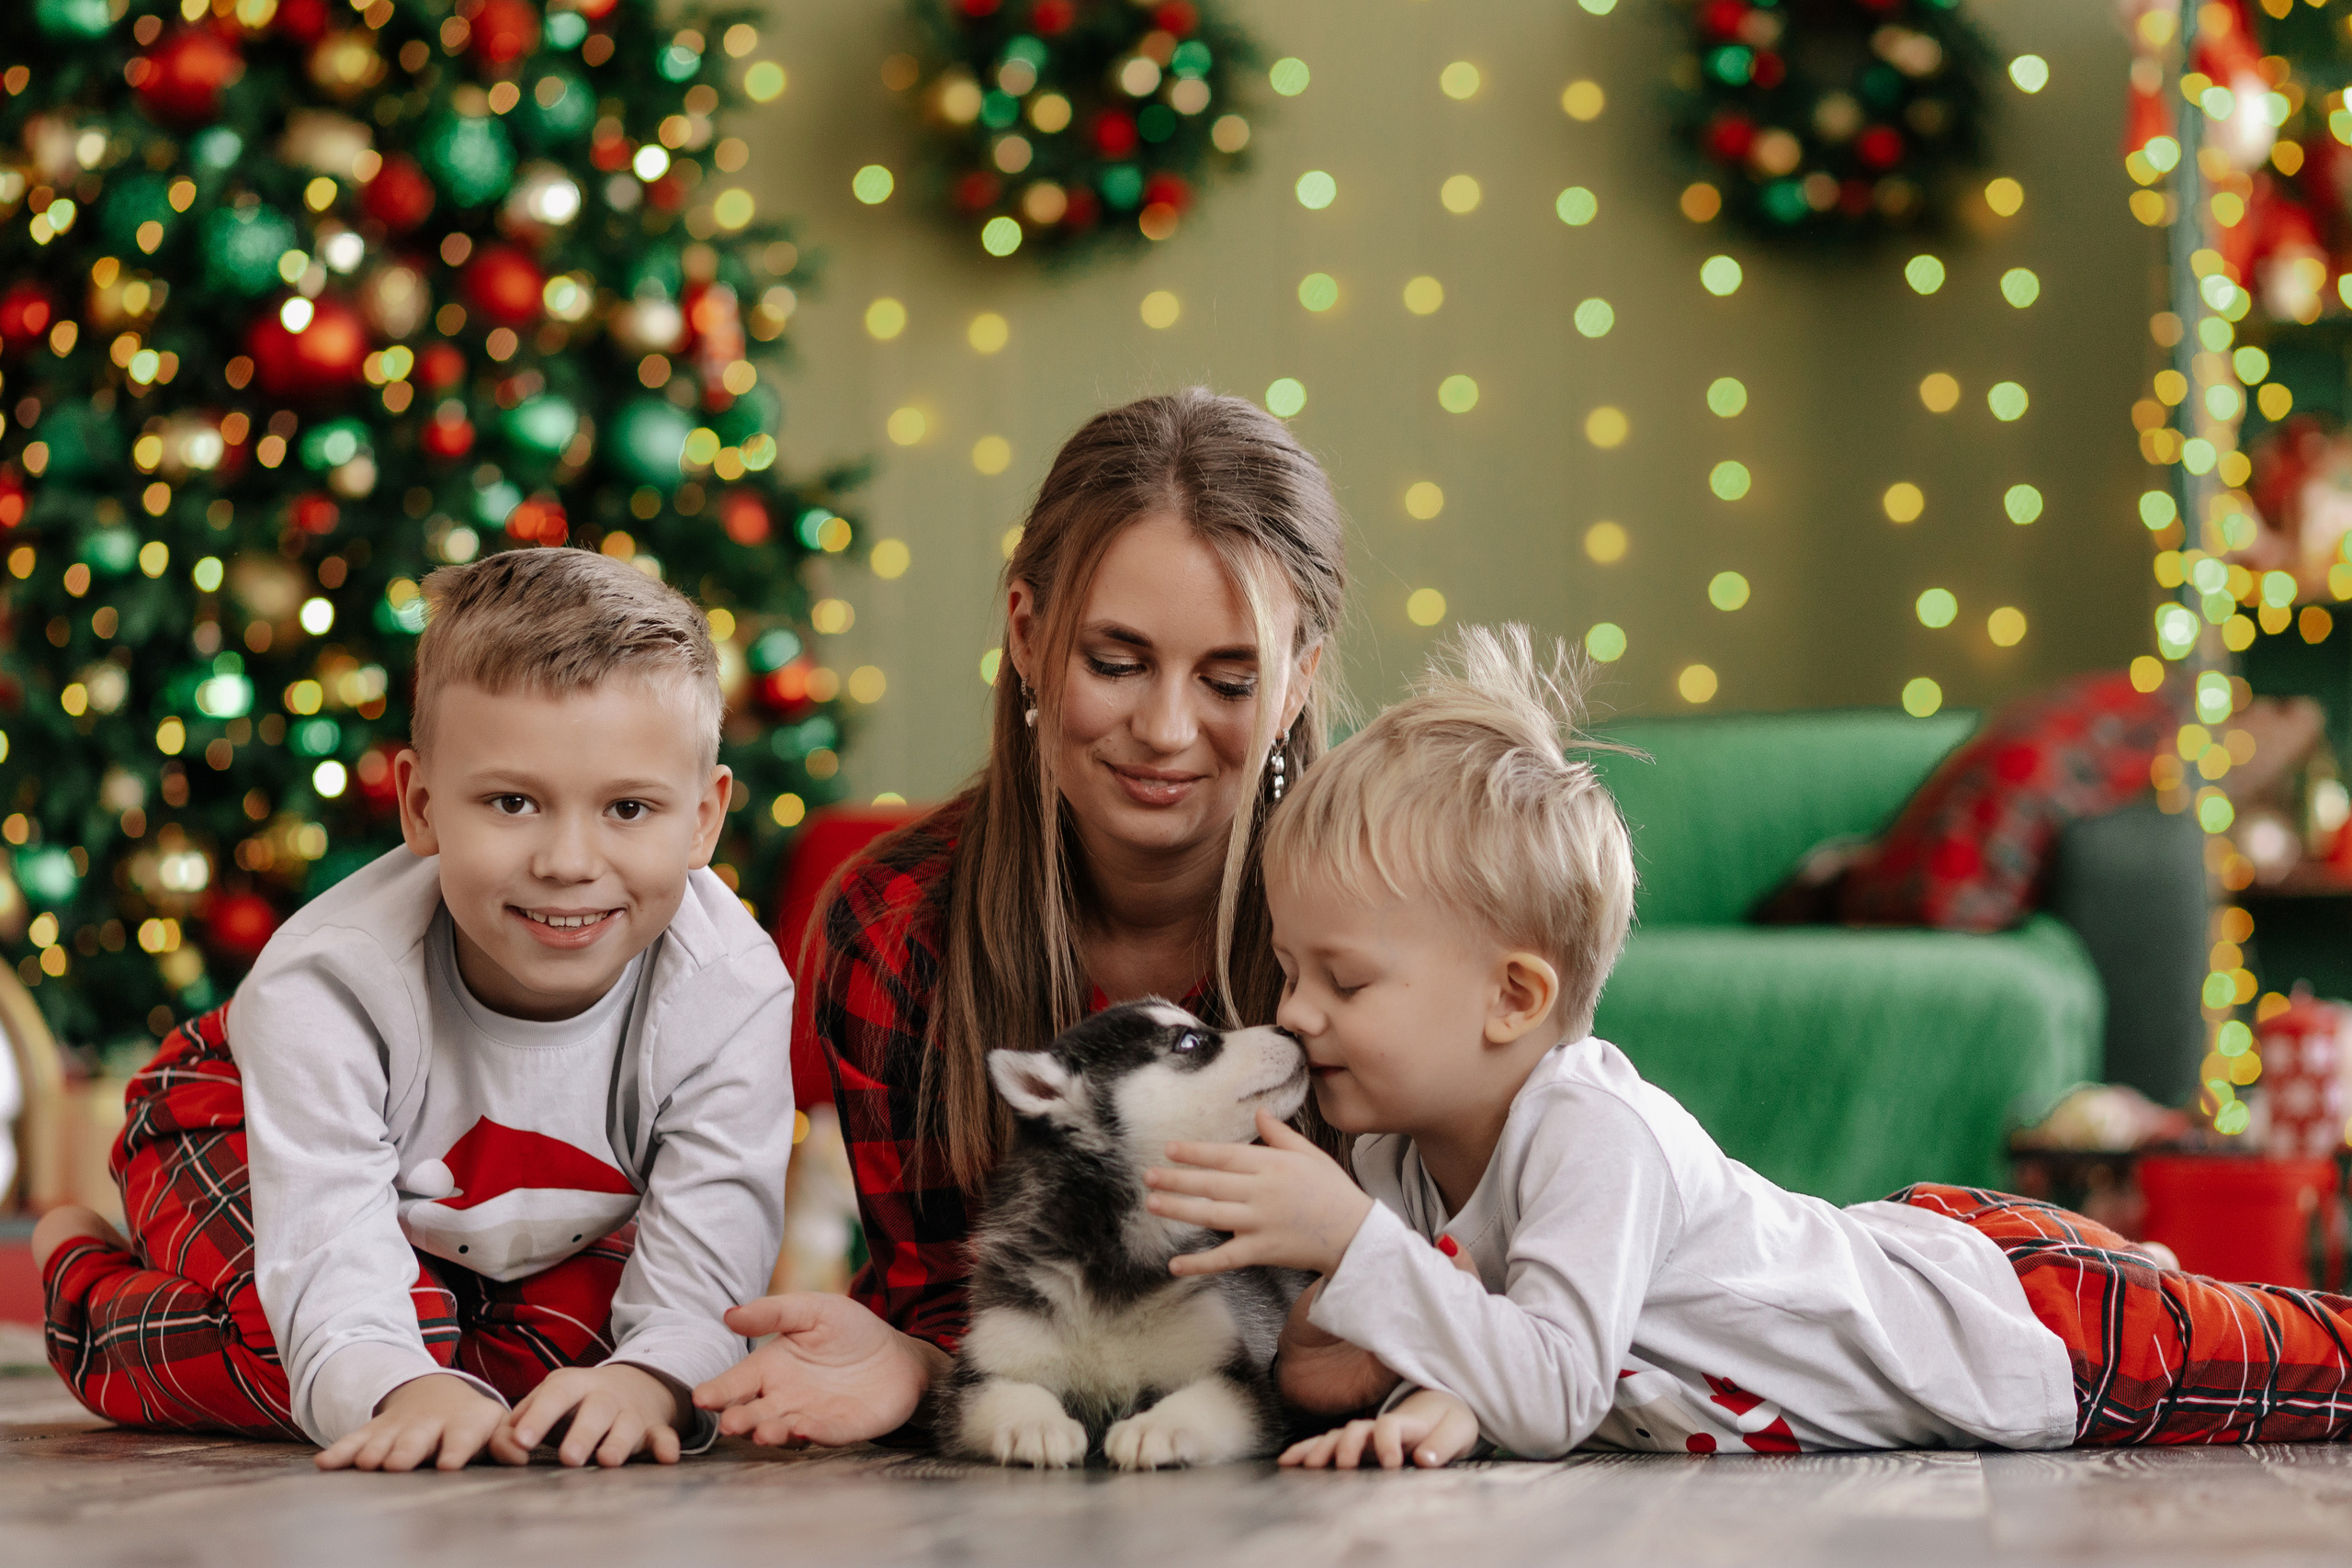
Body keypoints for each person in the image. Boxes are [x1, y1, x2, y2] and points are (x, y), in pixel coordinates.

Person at [1144, 623, 2352, 1468]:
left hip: (2024, 1334)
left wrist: (1352, 1250)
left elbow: (1558, 1385)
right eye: (1292, 973)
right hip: (1909, 1243)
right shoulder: (1396, 1158)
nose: (1292, 1014)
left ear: (1512, 997)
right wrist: (1406, 1374)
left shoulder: (1586, 1130)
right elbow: (1364, 1366)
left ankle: (2153, 1279)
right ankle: (2148, 1261)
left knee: (2314, 1360)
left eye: (1340, 979)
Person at [35, 548, 795, 1472]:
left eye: (629, 809)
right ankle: (86, 1286)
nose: (567, 860)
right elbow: (327, 1260)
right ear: (422, 805)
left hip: (471, 1222)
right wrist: (403, 1383)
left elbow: (705, 1273)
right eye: (512, 802)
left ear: (705, 821)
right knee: (348, 1348)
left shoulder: (730, 991)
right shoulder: (327, 986)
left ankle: (427, 1342)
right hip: (231, 1111)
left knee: (572, 1372)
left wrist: (647, 1383)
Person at [691, 388, 1347, 1445]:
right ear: (1029, 637)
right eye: (1117, 663)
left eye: (1231, 678)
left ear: (1299, 683)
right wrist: (909, 1362)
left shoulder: (1392, 923)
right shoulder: (893, 929)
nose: (1167, 728)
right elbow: (953, 1313)